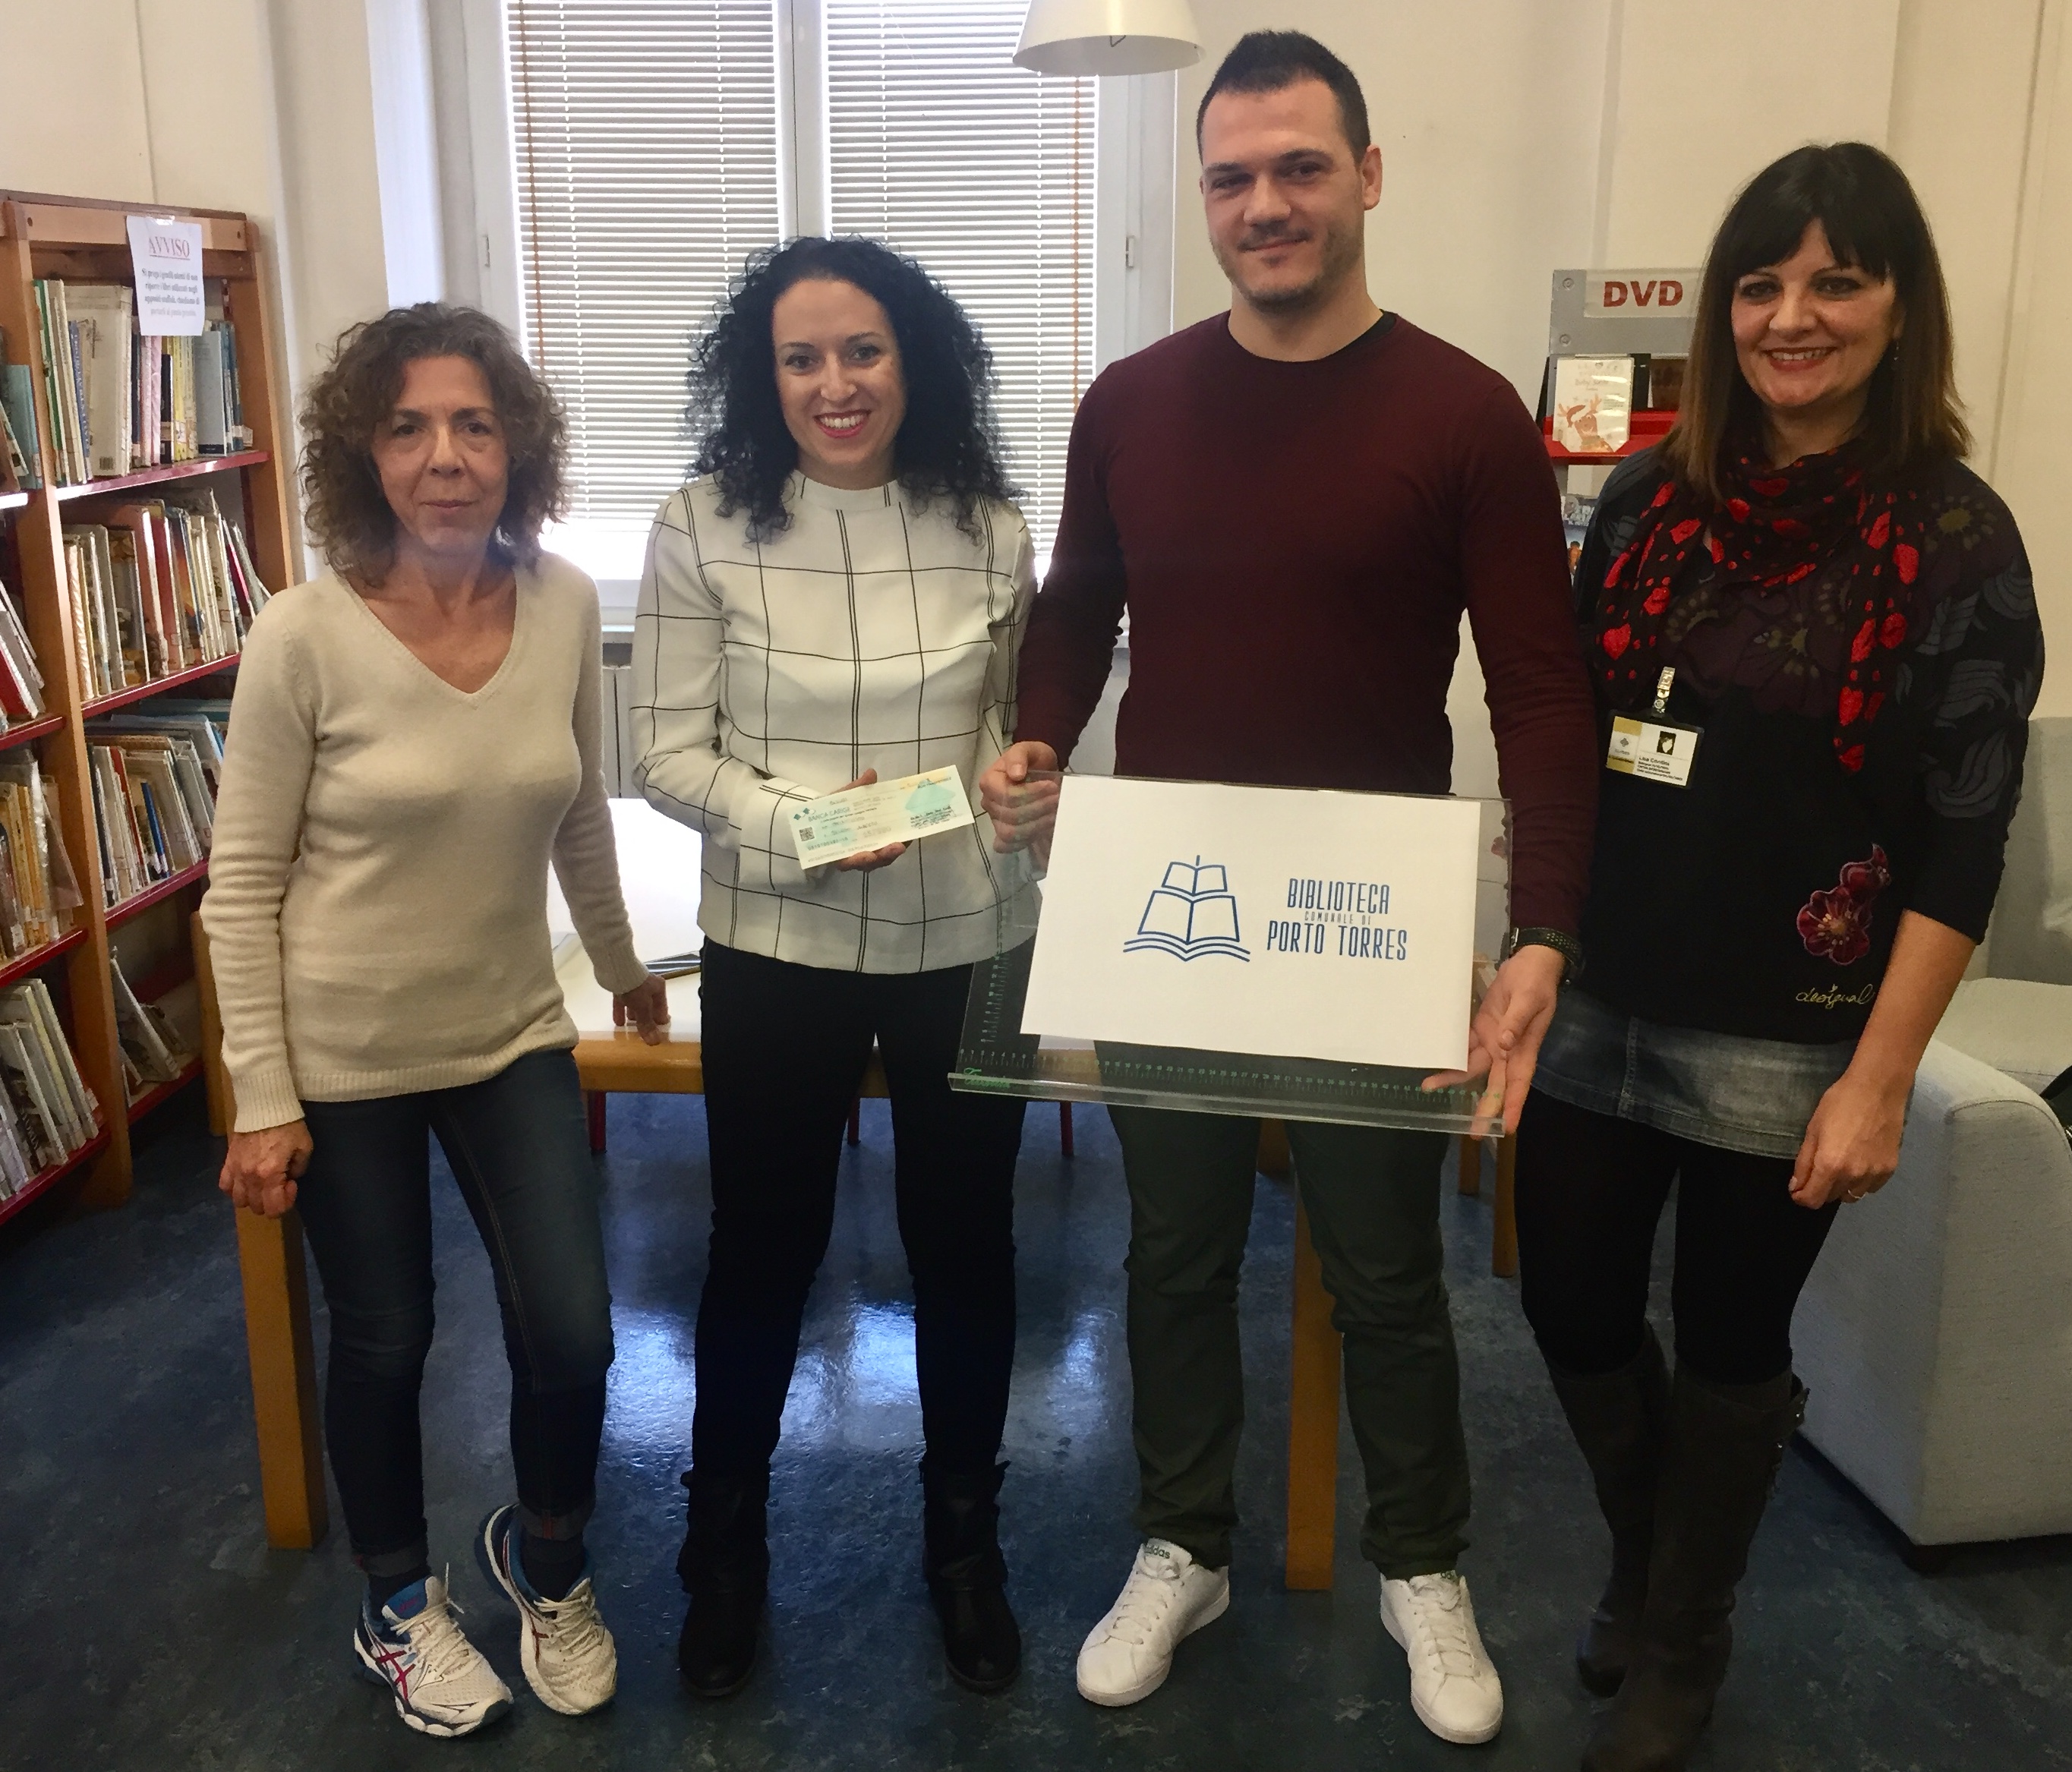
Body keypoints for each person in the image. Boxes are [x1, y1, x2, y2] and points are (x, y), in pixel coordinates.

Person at [980, 32, 1598, 1745]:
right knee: (1172, 1254)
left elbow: (1542, 691)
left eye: (1300, 168)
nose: (1265, 204)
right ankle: (1183, 1543)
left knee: (1387, 1269)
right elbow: (1074, 611)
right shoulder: (1130, 402)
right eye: (1233, 177)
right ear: (1205, 198)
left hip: (1366, 922)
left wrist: (1543, 926)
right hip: (1168, 903)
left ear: (1368, 176)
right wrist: (1037, 738)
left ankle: (1423, 1563)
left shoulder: (1464, 415)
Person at [1514, 143, 2043, 1772]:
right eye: (1761, 284)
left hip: (1789, 1020)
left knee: (1734, 1347)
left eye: (1836, 281)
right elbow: (1573, 739)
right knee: (1571, 1304)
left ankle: (1682, 1633)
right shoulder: (1646, 500)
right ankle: (1646, 1556)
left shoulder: (1954, 536)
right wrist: (1529, 946)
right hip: (1603, 986)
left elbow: (1963, 838)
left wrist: (1879, 1080)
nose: (1792, 317)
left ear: (1899, 307)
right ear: (1722, 307)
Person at [203, 303, 669, 1738]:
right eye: (407, 428)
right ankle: (398, 1603)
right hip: (343, 1055)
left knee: (574, 1334)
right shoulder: (302, 632)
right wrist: (263, 1095)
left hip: (510, 1029)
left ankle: (546, 1562)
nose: (444, 456)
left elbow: (576, 809)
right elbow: (240, 886)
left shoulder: (564, 602)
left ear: (516, 445)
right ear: (365, 452)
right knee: (385, 1339)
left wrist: (622, 961)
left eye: (473, 424)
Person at [633, 236, 1036, 1700]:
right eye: (800, 357)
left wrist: (1023, 786)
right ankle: (722, 1551)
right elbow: (661, 752)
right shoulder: (699, 523)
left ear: (913, 360)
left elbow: (1009, 732)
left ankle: (965, 1547)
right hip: (776, 941)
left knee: (965, 1248)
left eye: (862, 349)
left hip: (968, 937)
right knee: (762, 1247)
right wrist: (799, 826)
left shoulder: (992, 527)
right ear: (763, 377)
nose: (834, 383)